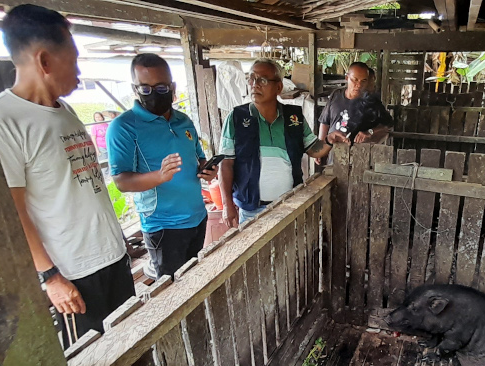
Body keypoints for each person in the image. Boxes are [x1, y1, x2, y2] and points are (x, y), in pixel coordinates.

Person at [0, 4, 134, 346]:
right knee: (94, 357)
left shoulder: (64, 111)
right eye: (74, 60)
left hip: (111, 257)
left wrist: (115, 241)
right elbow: (12, 211)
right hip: (74, 275)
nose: (78, 72)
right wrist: (50, 276)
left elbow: (83, 186)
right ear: (45, 61)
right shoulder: (2, 121)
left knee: (130, 344)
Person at [107, 53, 216, 279]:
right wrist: (159, 176)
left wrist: (207, 169)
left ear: (172, 87)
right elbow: (121, 182)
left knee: (196, 279)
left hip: (197, 216)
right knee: (173, 288)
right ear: (135, 89)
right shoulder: (124, 127)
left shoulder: (183, 121)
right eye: (145, 89)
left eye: (161, 88)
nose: (153, 94)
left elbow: (198, 158)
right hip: (164, 226)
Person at [217, 59, 338, 227]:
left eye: (262, 80)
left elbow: (313, 149)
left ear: (279, 87)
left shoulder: (293, 117)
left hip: (289, 206)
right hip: (251, 210)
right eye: (252, 78)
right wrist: (227, 204)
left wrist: (330, 140)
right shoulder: (237, 118)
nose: (255, 84)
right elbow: (226, 164)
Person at [318, 62, 393, 145]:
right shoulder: (336, 95)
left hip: (356, 151)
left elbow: (388, 126)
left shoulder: (372, 102)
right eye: (355, 80)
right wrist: (321, 146)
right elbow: (324, 122)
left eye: (363, 81)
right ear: (347, 77)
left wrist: (370, 132)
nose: (359, 85)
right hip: (332, 149)